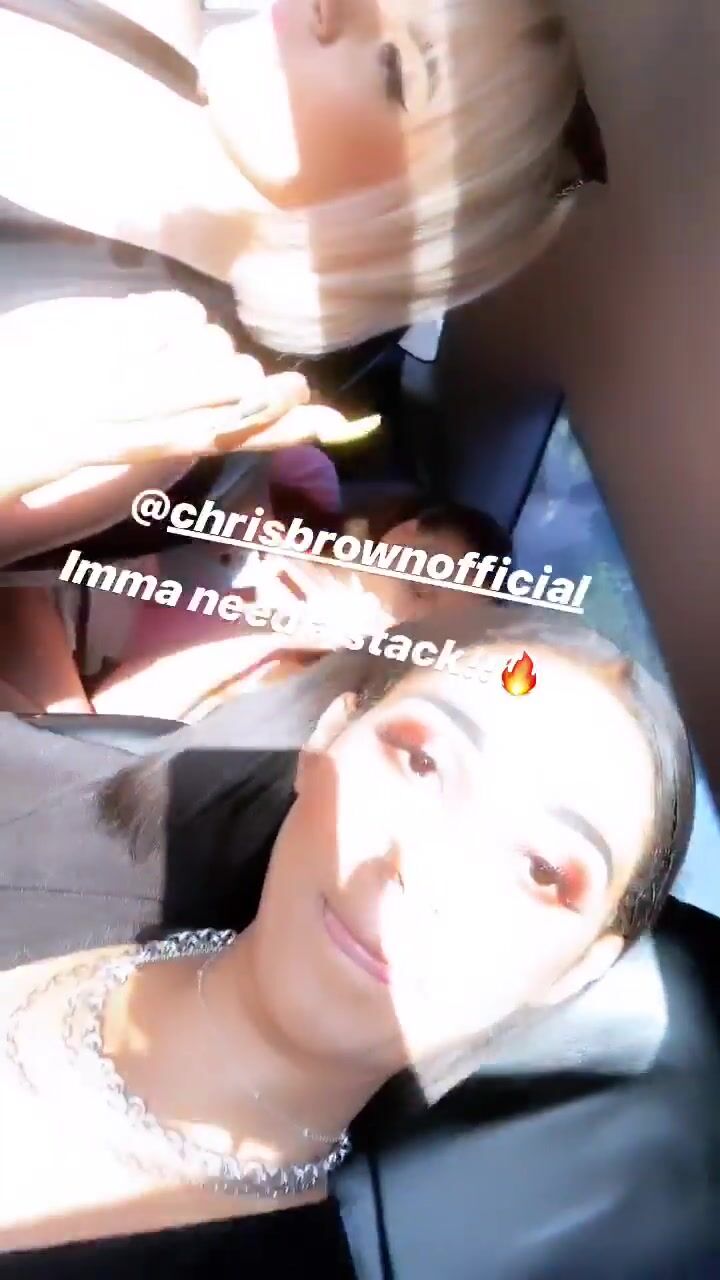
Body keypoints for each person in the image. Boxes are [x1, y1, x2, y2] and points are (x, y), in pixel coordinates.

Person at [0, 607, 702, 1270]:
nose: (425, 866)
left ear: (576, 972)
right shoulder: (32, 803)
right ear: (325, 739)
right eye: (421, 761)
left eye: (543, 871)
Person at [0, 0, 589, 558]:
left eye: (395, 69)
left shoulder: (153, 375)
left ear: (408, 215)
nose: (333, 7)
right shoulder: (147, 15)